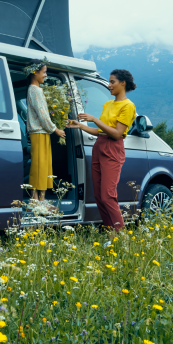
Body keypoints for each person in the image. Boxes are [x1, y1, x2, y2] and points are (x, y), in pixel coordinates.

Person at [67, 69, 137, 231]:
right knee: (99, 196)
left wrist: (94, 119)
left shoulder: (128, 106)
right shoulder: (108, 104)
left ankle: (120, 233)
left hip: (113, 149)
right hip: (99, 146)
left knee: (107, 195)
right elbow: (101, 131)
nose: (109, 85)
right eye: (109, 82)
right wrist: (80, 126)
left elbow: (117, 133)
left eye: (112, 82)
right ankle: (110, 233)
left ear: (123, 83)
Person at [24, 59, 66, 206]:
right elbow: (43, 115)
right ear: (35, 72)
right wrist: (56, 130)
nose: (45, 76)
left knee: (43, 166)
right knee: (39, 165)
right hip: (39, 132)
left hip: (40, 132)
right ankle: (35, 200)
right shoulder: (34, 90)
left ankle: (40, 199)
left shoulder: (34, 90)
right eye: (44, 72)